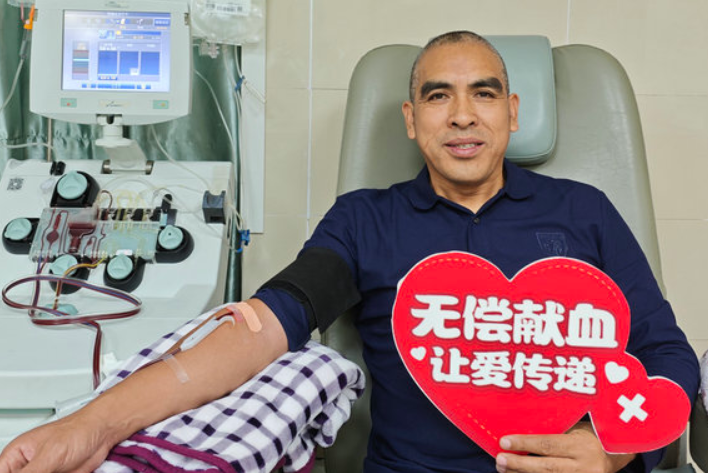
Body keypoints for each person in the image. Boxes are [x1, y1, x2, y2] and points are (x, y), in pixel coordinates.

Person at [0, 31, 698, 473]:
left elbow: (666, 352)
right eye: (439, 96)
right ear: (411, 119)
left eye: (483, 94)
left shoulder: (583, 212)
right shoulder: (367, 221)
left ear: (512, 113)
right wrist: (89, 426)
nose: (462, 115)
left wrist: (616, 447)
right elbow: (260, 329)